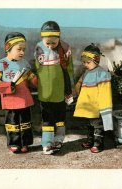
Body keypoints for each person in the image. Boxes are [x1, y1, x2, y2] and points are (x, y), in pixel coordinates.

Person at [0, 32, 37, 154]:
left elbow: (31, 77)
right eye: (19, 49)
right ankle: (14, 143)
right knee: (12, 122)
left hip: (24, 98)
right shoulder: (2, 64)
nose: (22, 52)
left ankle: (25, 143)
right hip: (10, 99)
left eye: (24, 49)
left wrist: (37, 81)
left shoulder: (24, 63)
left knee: (25, 122)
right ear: (8, 47)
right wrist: (5, 87)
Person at [34, 21, 74, 155]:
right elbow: (38, 69)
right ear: (42, 39)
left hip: (60, 92)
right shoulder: (38, 48)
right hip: (45, 92)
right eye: (47, 43)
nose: (50, 46)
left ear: (59, 38)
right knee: (46, 119)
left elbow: (69, 70)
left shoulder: (65, 48)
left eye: (54, 43)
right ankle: (46, 143)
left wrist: (70, 89)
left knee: (60, 118)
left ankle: (59, 139)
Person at [73, 43, 113, 153]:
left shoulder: (101, 74)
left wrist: (104, 107)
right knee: (89, 125)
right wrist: (75, 94)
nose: (85, 64)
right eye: (84, 62)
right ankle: (90, 141)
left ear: (96, 60)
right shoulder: (86, 73)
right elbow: (79, 84)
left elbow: (105, 92)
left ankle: (98, 144)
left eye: (88, 62)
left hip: (96, 106)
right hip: (87, 106)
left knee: (97, 126)